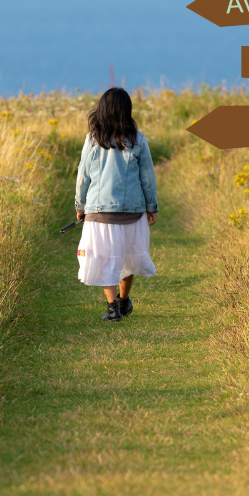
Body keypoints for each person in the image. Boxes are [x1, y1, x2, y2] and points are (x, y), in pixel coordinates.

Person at [74, 87, 158, 322]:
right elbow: (147, 177)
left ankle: (112, 307)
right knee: (128, 256)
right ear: (127, 111)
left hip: (99, 212)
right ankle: (123, 300)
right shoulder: (137, 138)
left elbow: (83, 176)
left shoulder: (92, 139)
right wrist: (152, 206)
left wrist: (80, 206)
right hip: (132, 212)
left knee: (104, 257)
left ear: (101, 111)